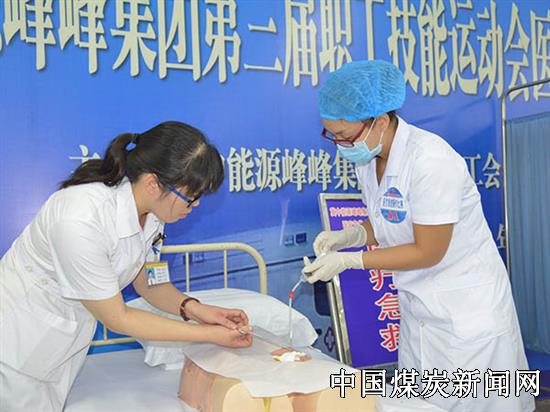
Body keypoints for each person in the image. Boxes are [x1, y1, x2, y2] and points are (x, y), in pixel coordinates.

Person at [304, 60, 534, 412]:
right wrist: (350, 235)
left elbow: (428, 250)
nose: (339, 144)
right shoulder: (368, 159)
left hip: (464, 314)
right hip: (420, 312)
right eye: (331, 135)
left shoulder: (430, 160)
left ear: (380, 121)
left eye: (345, 136)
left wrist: (351, 260)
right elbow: (389, 220)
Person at [0, 121, 252, 411]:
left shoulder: (152, 213)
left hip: (59, 346)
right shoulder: (79, 219)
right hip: (16, 347)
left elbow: (148, 281)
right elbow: (117, 318)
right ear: (153, 183)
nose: (194, 207)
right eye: (191, 197)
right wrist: (209, 334)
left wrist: (197, 310)